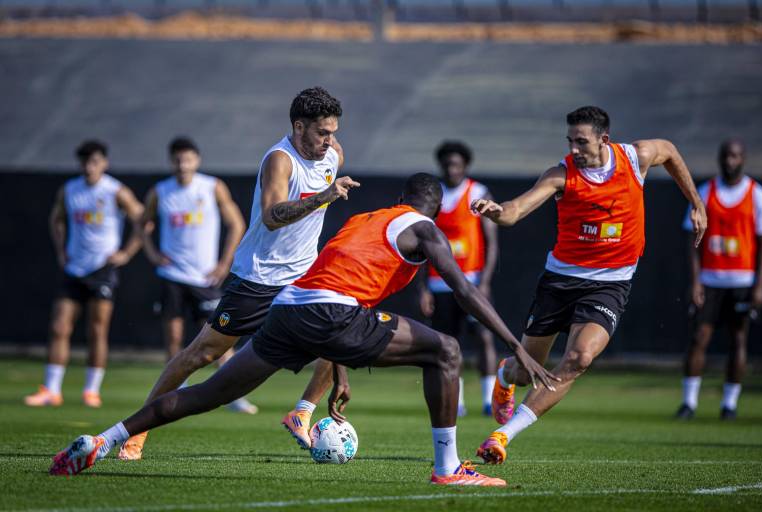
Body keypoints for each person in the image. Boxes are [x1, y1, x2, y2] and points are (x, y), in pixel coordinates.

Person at [49, 173, 557, 486]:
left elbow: (337, 295)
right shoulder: (423, 228)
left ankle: (103, 439)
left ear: (401, 197)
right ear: (433, 208)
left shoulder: (366, 219)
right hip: (326, 313)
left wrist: (339, 376)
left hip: (289, 308)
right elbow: (465, 292)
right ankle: (449, 468)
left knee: (207, 392)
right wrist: (517, 344)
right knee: (445, 349)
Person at [117, 86, 357, 460]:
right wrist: (325, 197)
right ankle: (138, 430)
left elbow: (331, 164)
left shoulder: (334, 155)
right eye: (322, 132)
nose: (330, 140)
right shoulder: (280, 160)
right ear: (298, 126)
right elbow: (272, 217)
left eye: (333, 132)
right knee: (201, 355)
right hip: (259, 278)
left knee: (343, 334)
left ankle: (302, 412)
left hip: (303, 277)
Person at [471, 106, 707, 464]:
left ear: (604, 140)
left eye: (581, 142)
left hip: (610, 284)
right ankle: (507, 373)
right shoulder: (560, 174)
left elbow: (671, 150)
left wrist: (697, 202)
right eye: (570, 141)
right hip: (560, 282)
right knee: (525, 369)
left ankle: (502, 435)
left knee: (579, 358)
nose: (574, 149)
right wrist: (496, 211)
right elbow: (516, 210)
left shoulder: (636, 157)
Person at [25, 140, 144, 408]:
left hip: (102, 270)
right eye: (85, 163)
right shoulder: (69, 190)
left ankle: (91, 391)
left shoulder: (115, 191)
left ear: (104, 163)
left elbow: (142, 219)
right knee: (59, 327)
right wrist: (61, 249)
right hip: (74, 268)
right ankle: (51, 390)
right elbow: (56, 219)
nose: (90, 168)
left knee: (97, 330)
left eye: (95, 162)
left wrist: (126, 253)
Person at [142, 136, 256, 414]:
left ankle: (233, 396)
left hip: (205, 278)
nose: (183, 165)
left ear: (197, 160)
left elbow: (236, 223)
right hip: (172, 276)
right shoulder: (160, 192)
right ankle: (173, 395)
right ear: (172, 162)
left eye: (188, 159)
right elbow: (142, 224)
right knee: (174, 338)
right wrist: (153, 254)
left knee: (219, 342)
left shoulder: (211, 187)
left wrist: (223, 263)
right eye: (178, 160)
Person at [676, 139, 762, 421]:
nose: (731, 161)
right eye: (727, 156)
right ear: (720, 158)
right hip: (711, 280)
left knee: (738, 340)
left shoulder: (756, 195)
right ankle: (689, 403)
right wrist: (696, 282)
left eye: (736, 156)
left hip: (742, 281)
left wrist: (760, 285)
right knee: (699, 338)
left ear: (743, 159)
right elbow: (691, 239)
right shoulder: (704, 192)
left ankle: (729, 405)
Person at [419, 140, 498, 417]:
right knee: (448, 343)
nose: (452, 168)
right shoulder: (433, 196)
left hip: (472, 281)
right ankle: (457, 402)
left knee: (484, 337)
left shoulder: (477, 192)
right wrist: (424, 288)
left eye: (456, 164)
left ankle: (490, 401)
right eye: (447, 164)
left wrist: (485, 281)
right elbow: (420, 244)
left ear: (465, 165)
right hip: (440, 284)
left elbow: (491, 242)